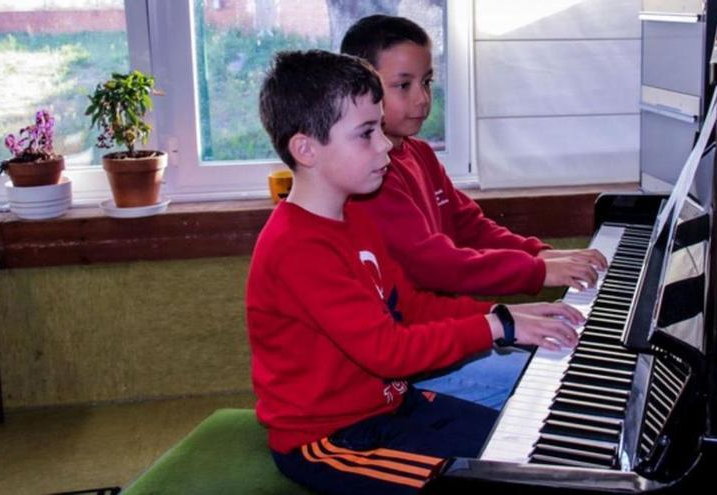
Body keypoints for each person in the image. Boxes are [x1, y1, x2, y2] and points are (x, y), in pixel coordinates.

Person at [247, 49, 583, 495]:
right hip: (331, 440)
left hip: (391, 407)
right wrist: (498, 326)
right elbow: (388, 351)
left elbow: (411, 306)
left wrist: (506, 313)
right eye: (366, 134)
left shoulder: (356, 215)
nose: (385, 145)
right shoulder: (298, 246)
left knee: (530, 450)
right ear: (306, 149)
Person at [340, 15, 608, 410]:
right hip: (414, 355)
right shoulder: (370, 180)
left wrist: (539, 254)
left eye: (427, 82)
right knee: (557, 390)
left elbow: (470, 226)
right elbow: (434, 263)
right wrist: (537, 272)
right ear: (362, 91)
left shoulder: (418, 153)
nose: (422, 98)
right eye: (403, 85)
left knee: (556, 359)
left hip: (449, 328)